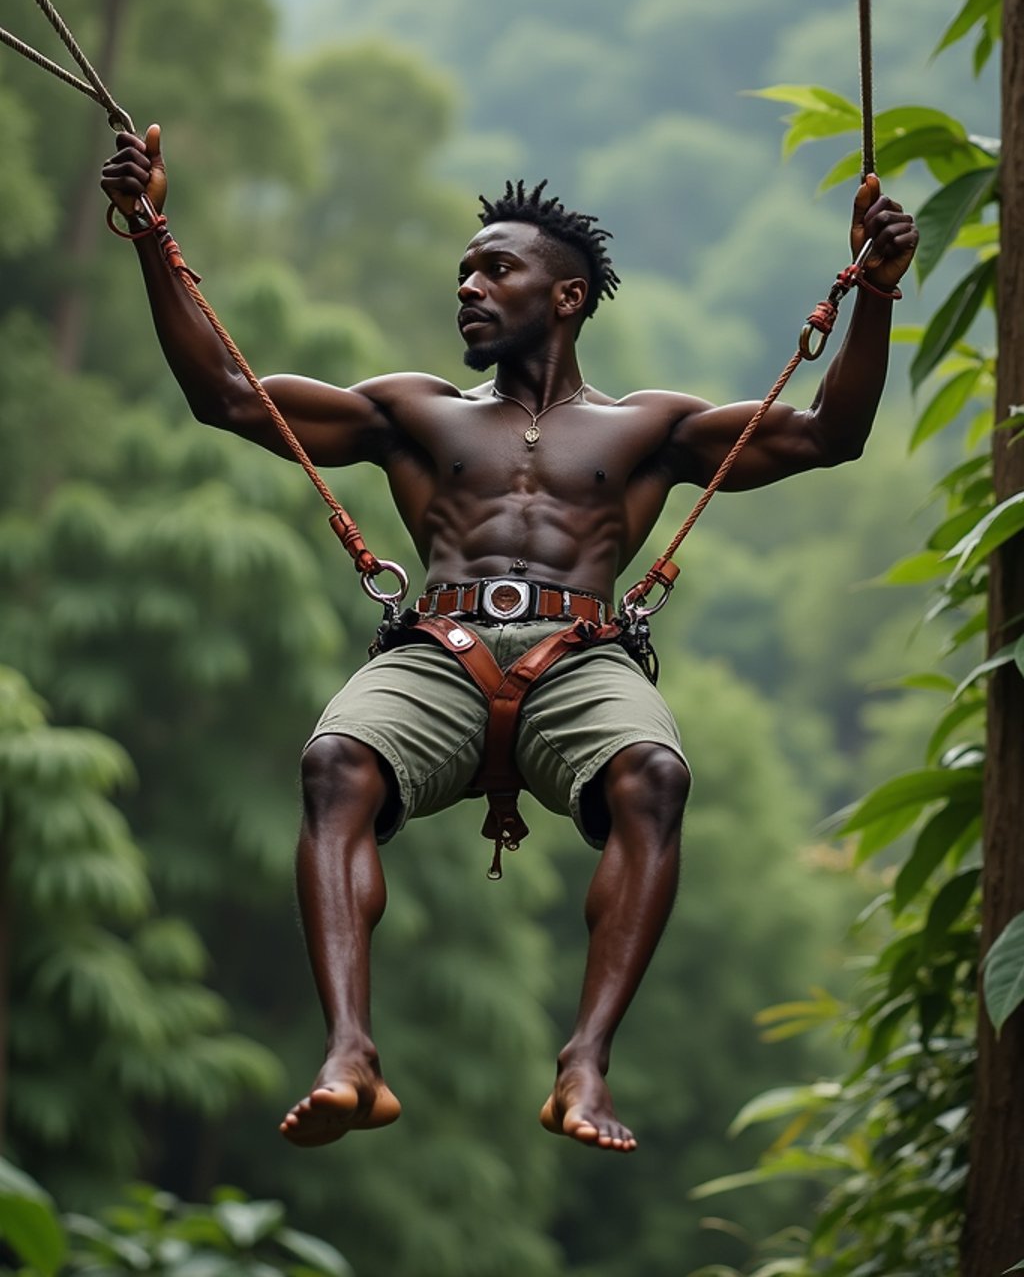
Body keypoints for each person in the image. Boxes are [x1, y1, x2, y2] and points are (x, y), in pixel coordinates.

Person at [101, 126, 919, 1154]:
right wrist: (147, 228)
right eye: (463, 273)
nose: (470, 288)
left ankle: (583, 1064)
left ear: (564, 296)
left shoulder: (645, 429)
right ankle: (350, 1052)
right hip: (440, 649)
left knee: (653, 776)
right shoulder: (413, 415)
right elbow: (227, 394)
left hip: (579, 661)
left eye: (497, 269)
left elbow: (825, 436)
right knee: (333, 764)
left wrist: (877, 289)